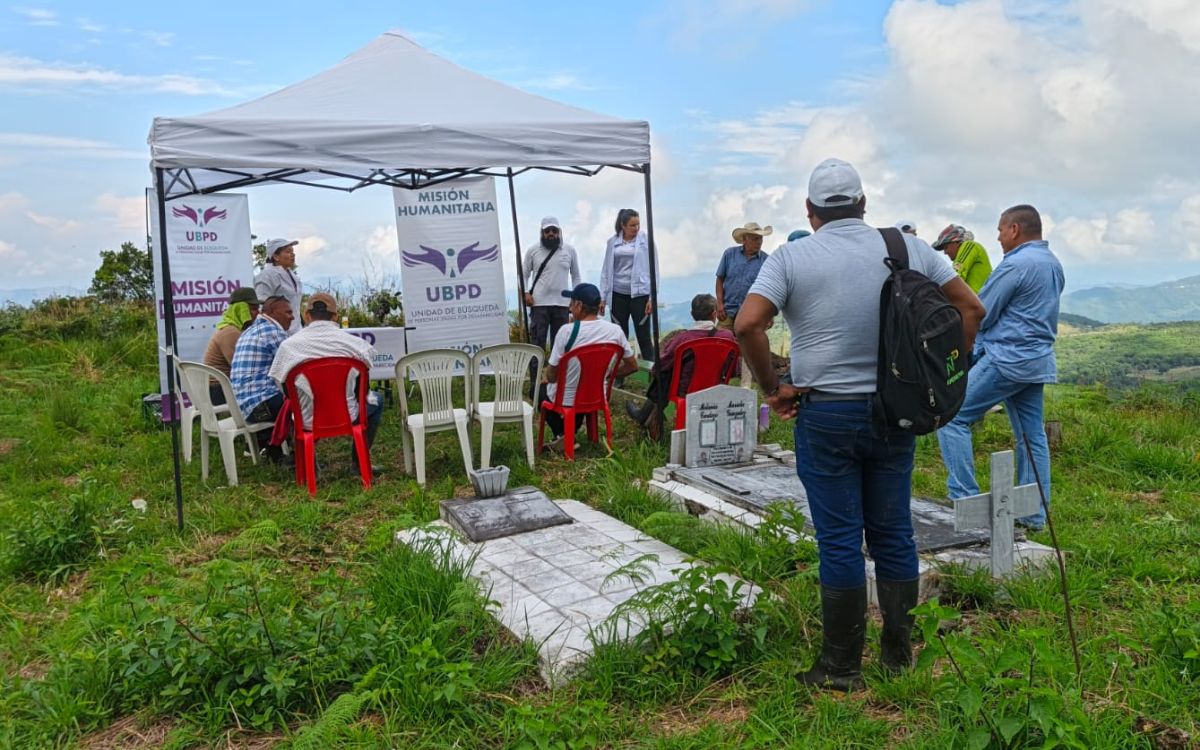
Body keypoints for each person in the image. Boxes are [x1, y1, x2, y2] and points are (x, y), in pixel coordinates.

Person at [736, 158, 984, 691]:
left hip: (824, 413)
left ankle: (841, 668)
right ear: (864, 204)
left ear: (810, 211)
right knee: (894, 531)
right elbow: (971, 309)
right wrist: (944, 377)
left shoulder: (791, 257)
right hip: (893, 412)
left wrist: (772, 388)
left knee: (841, 539)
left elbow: (748, 323)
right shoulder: (908, 248)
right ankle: (899, 656)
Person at [937, 205, 1063, 531]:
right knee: (1031, 436)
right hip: (1037, 360)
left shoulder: (1016, 265)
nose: (997, 236)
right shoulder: (1052, 264)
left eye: (1000, 229)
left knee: (952, 417)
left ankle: (965, 501)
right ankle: (1034, 515)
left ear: (1015, 230)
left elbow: (981, 311)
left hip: (1007, 359)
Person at [269, 292, 383, 474]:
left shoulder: (289, 347)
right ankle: (359, 465)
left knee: (296, 407)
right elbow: (363, 388)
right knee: (378, 400)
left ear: (307, 315)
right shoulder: (356, 344)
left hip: (308, 419)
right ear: (336, 317)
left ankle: (308, 467)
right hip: (349, 415)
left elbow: (284, 389)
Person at [539, 283, 638, 451]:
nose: (570, 307)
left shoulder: (566, 331)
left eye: (571, 303)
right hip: (597, 394)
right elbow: (633, 366)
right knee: (581, 390)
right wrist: (605, 376)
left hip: (568, 397)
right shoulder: (615, 331)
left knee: (540, 390)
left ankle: (563, 434)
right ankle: (568, 435)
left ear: (579, 306)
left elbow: (553, 375)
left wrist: (547, 377)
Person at [624, 293, 738, 439]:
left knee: (664, 376)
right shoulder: (727, 337)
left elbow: (662, 364)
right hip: (716, 385)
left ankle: (646, 416)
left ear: (692, 314)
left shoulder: (683, 339)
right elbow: (732, 365)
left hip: (685, 389)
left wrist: (654, 371)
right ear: (714, 314)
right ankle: (645, 415)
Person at [230, 295, 294, 457]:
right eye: (288, 312)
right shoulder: (273, 332)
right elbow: (294, 368)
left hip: (245, 408)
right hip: (261, 408)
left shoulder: (249, 331)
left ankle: (270, 445)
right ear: (273, 312)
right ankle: (298, 455)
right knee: (306, 402)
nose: (293, 317)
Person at [600, 208, 656, 363]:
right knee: (619, 336)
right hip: (618, 294)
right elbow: (606, 270)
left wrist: (652, 297)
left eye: (638, 224)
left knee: (643, 335)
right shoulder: (613, 242)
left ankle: (654, 376)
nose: (636, 228)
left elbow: (654, 269)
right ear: (623, 225)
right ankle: (620, 373)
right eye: (632, 225)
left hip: (640, 295)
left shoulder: (646, 241)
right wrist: (603, 297)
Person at [523, 216, 581, 351]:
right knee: (537, 345)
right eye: (547, 230)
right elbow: (523, 275)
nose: (551, 233)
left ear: (559, 232)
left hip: (562, 305)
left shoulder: (569, 250)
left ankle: (558, 373)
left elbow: (576, 276)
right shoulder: (533, 251)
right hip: (539, 305)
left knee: (561, 346)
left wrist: (576, 298)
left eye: (554, 230)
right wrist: (525, 293)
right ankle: (535, 372)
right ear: (542, 232)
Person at [202, 287, 261, 405]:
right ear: (241, 309)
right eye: (254, 309)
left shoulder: (231, 328)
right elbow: (244, 370)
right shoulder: (230, 332)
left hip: (221, 388)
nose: (258, 313)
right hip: (220, 392)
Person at [714, 222, 773, 330]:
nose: (759, 242)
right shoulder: (729, 254)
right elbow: (720, 279)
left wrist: (768, 314)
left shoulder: (766, 260)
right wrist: (720, 304)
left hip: (752, 314)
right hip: (728, 312)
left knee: (748, 346)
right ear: (745, 239)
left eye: (760, 239)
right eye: (755, 239)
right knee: (721, 343)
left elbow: (768, 288)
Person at [254, 238, 302, 335]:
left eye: (293, 252)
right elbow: (262, 305)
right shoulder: (266, 276)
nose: (293, 254)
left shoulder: (292, 276)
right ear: (276, 256)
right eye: (288, 252)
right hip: (276, 332)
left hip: (296, 331)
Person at [932, 224, 994, 294]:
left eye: (946, 247)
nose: (945, 252)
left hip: (980, 301)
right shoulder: (963, 257)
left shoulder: (968, 245)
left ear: (956, 242)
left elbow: (954, 278)